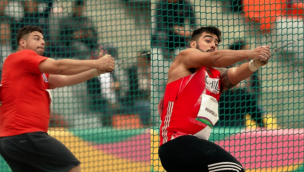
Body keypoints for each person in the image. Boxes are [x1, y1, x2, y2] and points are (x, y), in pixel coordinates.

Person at [0, 25, 115, 172]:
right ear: (22, 43)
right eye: (36, 38)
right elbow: (59, 66)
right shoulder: (22, 57)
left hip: (10, 140)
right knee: (72, 168)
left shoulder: (31, 70)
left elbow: (62, 79)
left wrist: (96, 71)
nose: (42, 42)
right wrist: (96, 62)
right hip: (25, 134)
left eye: (43, 39)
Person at [158, 26, 271, 171]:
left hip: (191, 149)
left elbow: (235, 74)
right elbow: (215, 58)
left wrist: (255, 63)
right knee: (233, 168)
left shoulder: (215, 75)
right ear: (193, 44)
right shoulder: (185, 57)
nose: (213, 45)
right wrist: (250, 53)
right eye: (208, 40)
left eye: (216, 43)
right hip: (177, 142)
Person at [217, 40, 266, 127]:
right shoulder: (226, 65)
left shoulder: (251, 67)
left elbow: (256, 86)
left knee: (257, 109)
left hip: (243, 100)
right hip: (229, 100)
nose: (248, 53)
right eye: (245, 50)